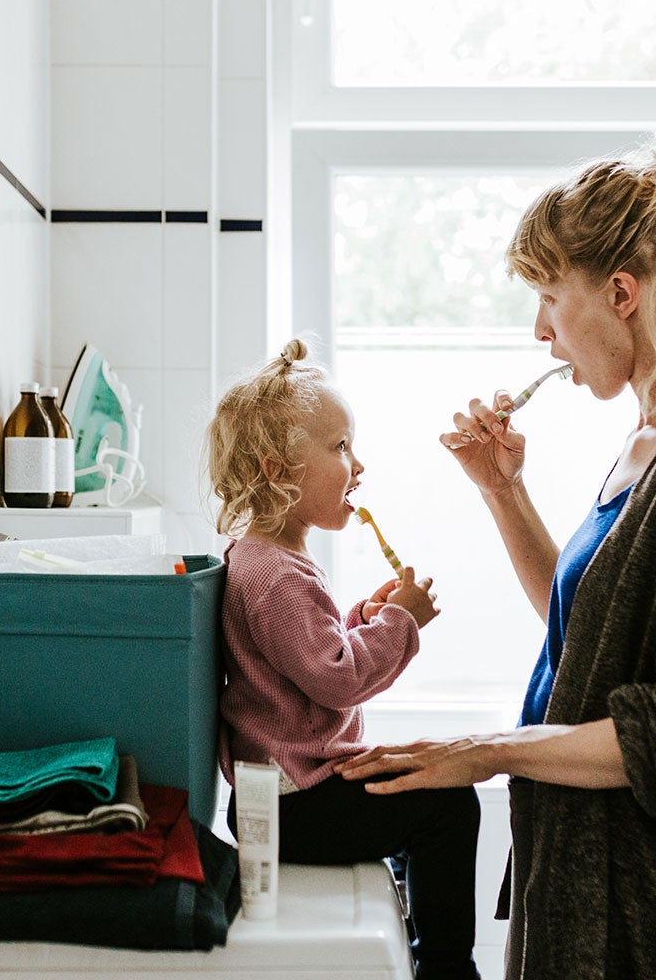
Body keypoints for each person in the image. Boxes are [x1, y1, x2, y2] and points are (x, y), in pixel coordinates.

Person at [338, 129, 656, 980]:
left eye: (552, 298)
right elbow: (592, 637)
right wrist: (501, 489)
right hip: (590, 879)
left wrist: (485, 750)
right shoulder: (649, 443)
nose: (540, 332)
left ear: (623, 293)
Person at [204, 338, 483, 980]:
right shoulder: (276, 576)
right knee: (448, 803)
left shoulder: (268, 562)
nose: (358, 466)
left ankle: (418, 923)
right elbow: (338, 678)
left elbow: (306, 656)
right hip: (296, 805)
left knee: (427, 780)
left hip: (287, 796)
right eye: (339, 448)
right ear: (279, 472)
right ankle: (446, 968)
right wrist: (402, 620)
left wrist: (362, 617)